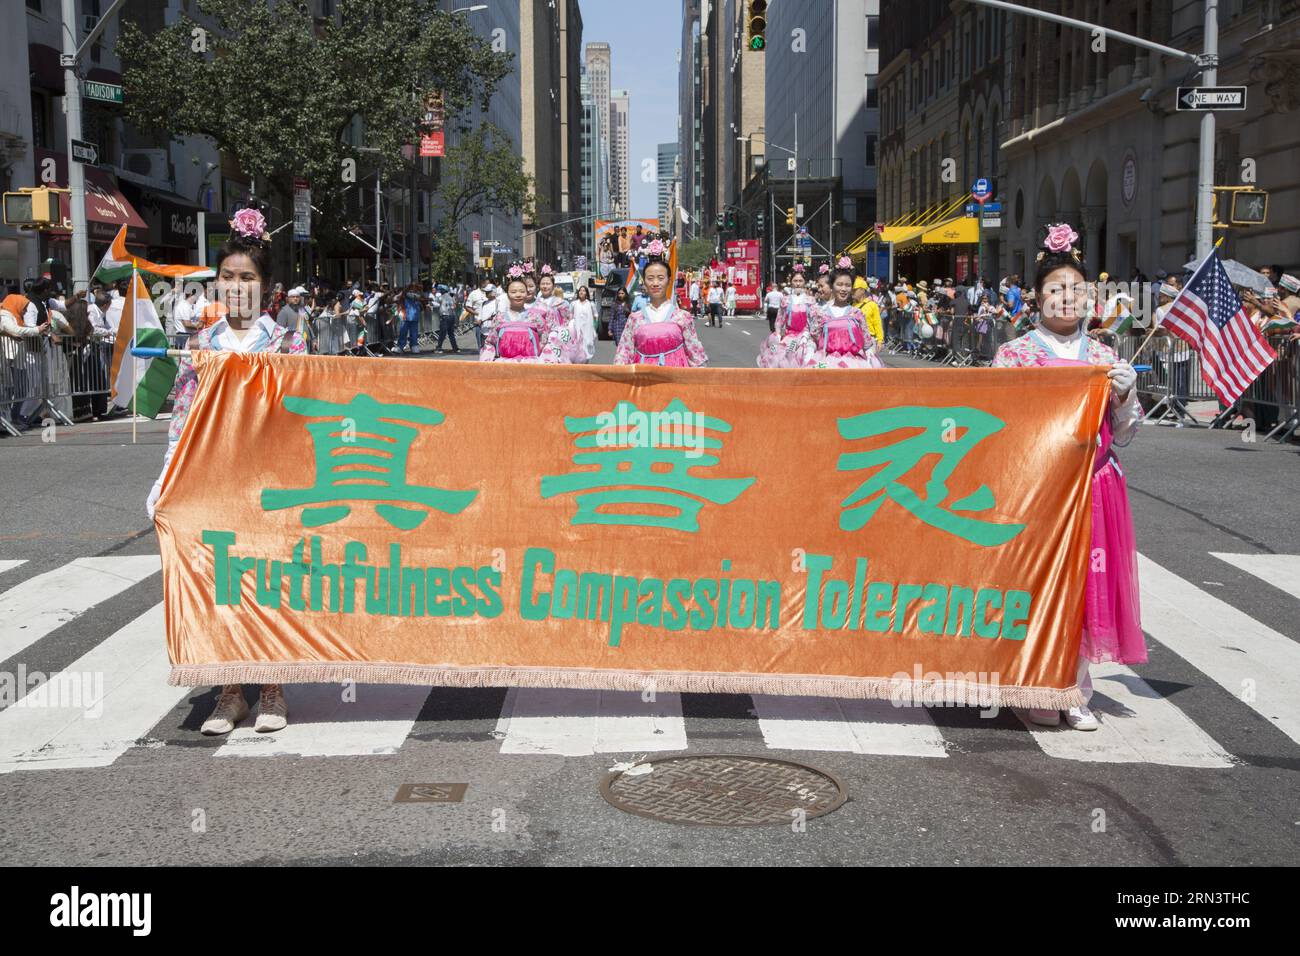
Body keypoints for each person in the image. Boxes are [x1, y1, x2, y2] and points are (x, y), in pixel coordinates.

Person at [147, 207, 306, 736]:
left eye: (248, 278)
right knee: (221, 583)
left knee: (271, 582)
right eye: (228, 277)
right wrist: (167, 476)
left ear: (267, 286)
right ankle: (230, 692)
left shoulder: (286, 344)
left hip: (270, 483)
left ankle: (274, 689)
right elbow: (183, 417)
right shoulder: (201, 345)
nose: (236, 287)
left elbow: (303, 416)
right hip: (215, 480)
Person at [993, 223, 1143, 732]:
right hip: (1037, 491)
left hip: (1095, 489)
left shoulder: (1105, 358)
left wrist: (1124, 397)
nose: (1066, 297)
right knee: (1037, 585)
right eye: (1055, 289)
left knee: (1085, 588)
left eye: (1075, 289)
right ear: (1036, 298)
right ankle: (1034, 683)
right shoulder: (1013, 357)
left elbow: (1123, 434)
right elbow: (995, 427)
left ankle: (1077, 689)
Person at [615, 250, 708, 366]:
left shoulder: (682, 317)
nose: (655, 283)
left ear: (669, 281)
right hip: (644, 380)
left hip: (675, 380)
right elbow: (623, 355)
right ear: (644, 282)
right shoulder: (635, 319)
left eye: (660, 278)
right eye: (650, 278)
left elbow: (696, 357)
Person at [805, 257, 884, 368]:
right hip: (825, 365)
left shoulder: (857, 313)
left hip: (854, 366)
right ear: (832, 286)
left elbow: (867, 344)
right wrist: (808, 355)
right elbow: (814, 340)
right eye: (839, 284)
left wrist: (870, 358)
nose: (843, 289)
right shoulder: (821, 313)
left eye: (847, 285)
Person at [479, 265, 565, 363]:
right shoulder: (499, 318)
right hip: (504, 367)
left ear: (526, 293)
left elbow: (545, 343)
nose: (518, 295)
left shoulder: (535, 317)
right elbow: (490, 343)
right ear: (507, 294)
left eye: (522, 291)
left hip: (531, 367)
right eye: (513, 292)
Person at [757, 267, 813, 368]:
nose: (798, 283)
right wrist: (778, 334)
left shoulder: (810, 300)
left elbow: (813, 322)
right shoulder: (786, 300)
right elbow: (779, 320)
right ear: (791, 282)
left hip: (804, 337)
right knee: (781, 355)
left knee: (806, 357)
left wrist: (807, 335)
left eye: (800, 281)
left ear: (805, 282)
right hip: (789, 337)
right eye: (795, 281)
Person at [567, 284, 598, 363]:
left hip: (588, 329)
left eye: (583, 291)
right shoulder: (574, 303)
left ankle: (585, 363)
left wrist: (594, 327)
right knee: (577, 346)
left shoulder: (591, 304)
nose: (581, 292)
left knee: (587, 346)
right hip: (576, 329)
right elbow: (569, 315)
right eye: (580, 290)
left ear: (586, 293)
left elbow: (595, 316)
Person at [436, 285, 460, 353]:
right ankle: (455, 348)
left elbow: (436, 303)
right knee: (451, 333)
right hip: (451, 316)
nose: (440, 291)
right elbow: (455, 305)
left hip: (445, 316)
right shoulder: (451, 297)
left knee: (442, 333)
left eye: (441, 290)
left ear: (443, 290)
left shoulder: (441, 297)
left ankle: (439, 348)